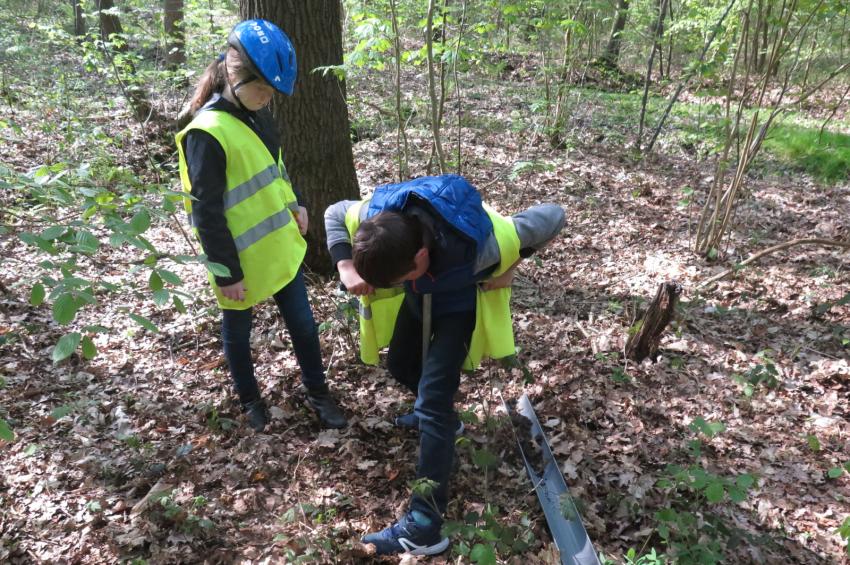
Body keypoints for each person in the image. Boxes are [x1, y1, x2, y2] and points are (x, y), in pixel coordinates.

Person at [324, 174, 565, 555]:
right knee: (401, 367)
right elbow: (334, 212)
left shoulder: (480, 248)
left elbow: (554, 215)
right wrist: (345, 266)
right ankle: (446, 423)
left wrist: (512, 263)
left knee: (432, 405)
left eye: (400, 277)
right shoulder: (376, 217)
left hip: (456, 309)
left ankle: (424, 526)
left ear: (420, 257)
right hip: (421, 301)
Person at [175, 19, 346, 432]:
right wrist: (226, 272)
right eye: (264, 89)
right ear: (234, 75)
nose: (269, 98)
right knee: (238, 335)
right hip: (239, 261)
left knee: (304, 327)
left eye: (272, 91)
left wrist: (297, 202)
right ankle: (251, 402)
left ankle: (319, 394)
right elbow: (206, 212)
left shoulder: (259, 115)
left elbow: (276, 168)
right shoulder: (206, 133)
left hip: (280, 249)